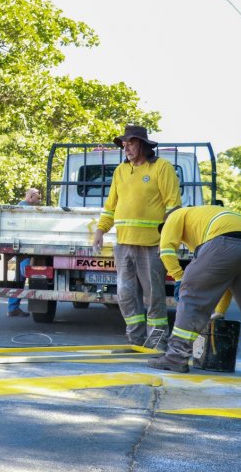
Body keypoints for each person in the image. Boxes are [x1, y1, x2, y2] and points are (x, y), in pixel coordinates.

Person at [148, 206, 241, 377]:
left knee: (191, 297)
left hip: (222, 242)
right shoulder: (207, 214)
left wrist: (179, 278)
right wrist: (219, 312)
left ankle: (175, 358)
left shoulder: (175, 215)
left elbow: (166, 250)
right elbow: (228, 281)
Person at [92, 125, 180, 349]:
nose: (126, 147)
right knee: (125, 295)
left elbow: (173, 206)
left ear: (143, 144)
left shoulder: (161, 167)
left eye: (131, 143)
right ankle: (134, 341)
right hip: (123, 245)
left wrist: (167, 240)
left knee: (154, 298)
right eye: (124, 143)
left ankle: (157, 343)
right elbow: (110, 206)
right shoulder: (120, 171)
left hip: (152, 245)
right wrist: (100, 231)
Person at [8, 187, 41, 317]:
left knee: (20, 277)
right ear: (31, 197)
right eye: (38, 198)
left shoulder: (22, 209)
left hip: (23, 250)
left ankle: (13, 307)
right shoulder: (24, 210)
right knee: (24, 272)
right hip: (25, 251)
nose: (40, 201)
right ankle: (12, 307)